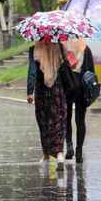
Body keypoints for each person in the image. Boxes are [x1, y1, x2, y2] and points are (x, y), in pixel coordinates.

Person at [27, 41, 67, 171]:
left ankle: (46, 155)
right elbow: (65, 67)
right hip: (57, 89)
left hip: (41, 90)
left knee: (43, 121)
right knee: (58, 120)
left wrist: (29, 91)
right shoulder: (59, 47)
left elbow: (32, 71)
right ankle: (59, 154)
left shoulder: (34, 49)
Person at [63, 39, 95, 163]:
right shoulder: (86, 49)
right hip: (82, 89)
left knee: (67, 118)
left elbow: (60, 69)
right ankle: (79, 151)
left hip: (68, 87)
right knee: (80, 121)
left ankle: (69, 146)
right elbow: (91, 71)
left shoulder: (64, 49)